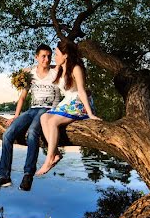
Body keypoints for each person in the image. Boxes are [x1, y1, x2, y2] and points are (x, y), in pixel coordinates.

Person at [0, 44, 61, 192]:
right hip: (32, 110)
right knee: (7, 134)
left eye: (49, 56)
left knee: (33, 132)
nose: (46, 59)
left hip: (48, 110)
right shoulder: (30, 74)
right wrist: (15, 116)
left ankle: (28, 175)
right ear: (36, 57)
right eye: (43, 56)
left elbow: (65, 62)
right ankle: (4, 176)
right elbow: (22, 97)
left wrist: (52, 65)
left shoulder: (56, 73)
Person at [36, 39, 101, 176]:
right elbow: (41, 68)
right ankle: (56, 153)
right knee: (44, 117)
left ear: (65, 55)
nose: (54, 56)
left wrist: (90, 114)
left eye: (56, 53)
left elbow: (82, 91)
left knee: (53, 122)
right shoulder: (60, 68)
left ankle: (48, 160)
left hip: (79, 102)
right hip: (67, 102)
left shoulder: (76, 68)